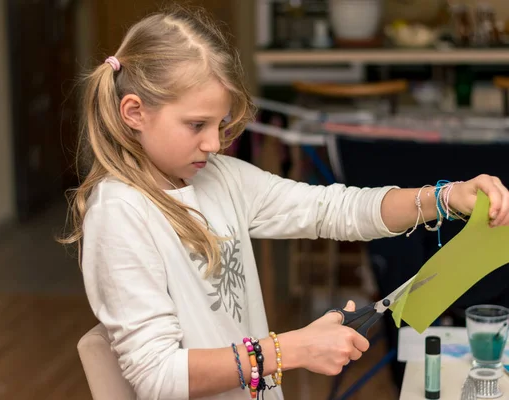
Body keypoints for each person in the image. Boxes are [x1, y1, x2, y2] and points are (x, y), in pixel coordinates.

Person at [60, 6, 509, 400]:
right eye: (196, 124)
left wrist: (445, 198)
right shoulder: (119, 213)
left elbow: (332, 210)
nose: (214, 143)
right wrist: (293, 349)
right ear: (135, 113)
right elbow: (159, 376)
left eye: (220, 124)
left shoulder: (220, 178)